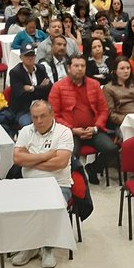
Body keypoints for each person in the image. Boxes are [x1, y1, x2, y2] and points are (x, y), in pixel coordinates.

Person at [11, 100, 73, 268]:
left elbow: (60, 162)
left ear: (52, 115)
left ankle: (47, 248)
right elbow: (17, 159)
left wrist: (30, 160)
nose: (39, 121)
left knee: (48, 204)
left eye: (43, 116)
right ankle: (29, 246)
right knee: (15, 204)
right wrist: (47, 155)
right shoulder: (25, 131)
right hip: (29, 184)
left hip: (58, 184)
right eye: (35, 117)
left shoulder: (64, 132)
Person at [49, 54, 118, 184]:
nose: (80, 69)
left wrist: (96, 127)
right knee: (69, 154)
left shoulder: (94, 84)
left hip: (93, 130)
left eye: (82, 66)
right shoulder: (58, 87)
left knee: (111, 149)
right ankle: (76, 180)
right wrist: (73, 130)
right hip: (70, 132)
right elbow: (54, 115)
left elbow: (104, 110)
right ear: (68, 68)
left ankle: (93, 168)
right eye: (76, 66)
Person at [9, 43, 51, 127]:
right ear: (21, 57)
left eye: (32, 55)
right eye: (27, 55)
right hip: (25, 109)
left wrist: (32, 88)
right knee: (28, 124)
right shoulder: (15, 73)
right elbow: (21, 95)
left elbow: (48, 88)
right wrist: (40, 88)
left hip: (43, 106)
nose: (30, 58)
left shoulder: (41, 68)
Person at [102, 58, 134, 129]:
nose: (126, 71)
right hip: (122, 122)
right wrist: (128, 120)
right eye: (122, 68)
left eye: (128, 68)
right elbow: (110, 113)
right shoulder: (108, 88)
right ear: (115, 71)